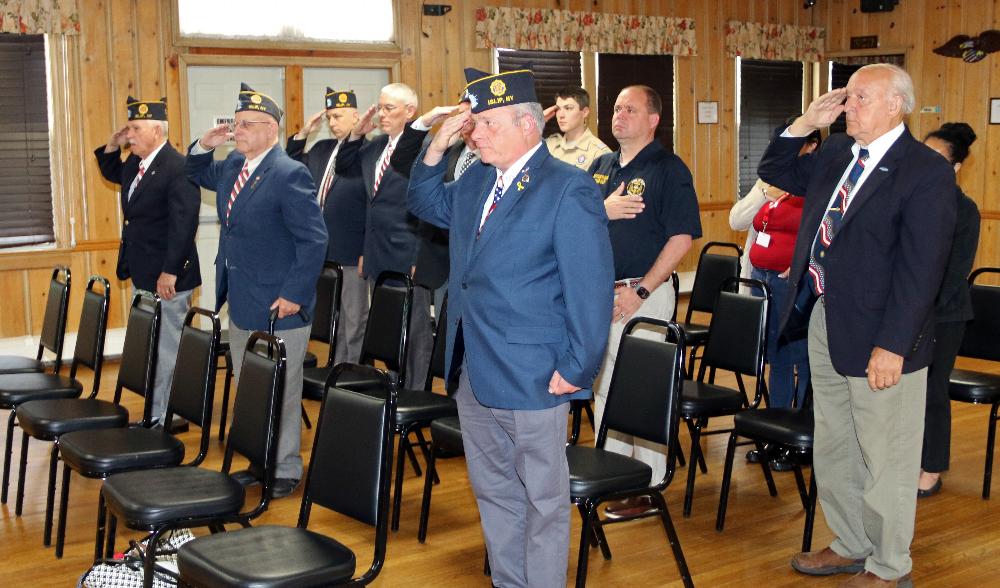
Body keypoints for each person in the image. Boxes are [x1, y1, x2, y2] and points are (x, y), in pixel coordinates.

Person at [407, 68, 613, 588]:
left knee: (543, 501)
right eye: (473, 124)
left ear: (527, 124)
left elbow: (589, 287)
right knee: (495, 493)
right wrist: (437, 147)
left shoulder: (568, 188)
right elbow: (423, 202)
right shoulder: (476, 179)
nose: (476, 133)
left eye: (488, 123)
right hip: (474, 367)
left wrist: (578, 366)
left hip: (535, 372)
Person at [759, 63, 956, 587]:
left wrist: (893, 346)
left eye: (859, 98)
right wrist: (805, 122)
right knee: (836, 443)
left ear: (897, 105)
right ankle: (851, 543)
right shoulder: (836, 153)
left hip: (883, 334)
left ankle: (890, 568)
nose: (848, 107)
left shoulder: (924, 171)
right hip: (827, 317)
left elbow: (922, 272)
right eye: (847, 98)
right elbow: (776, 170)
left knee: (886, 455)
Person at [186, 83, 327, 499]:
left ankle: (284, 466)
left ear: (271, 130)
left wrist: (295, 294)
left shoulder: (288, 173)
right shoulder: (232, 165)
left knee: (282, 389)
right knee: (252, 386)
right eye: (236, 122)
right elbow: (193, 172)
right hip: (243, 298)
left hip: (280, 304)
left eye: (247, 124)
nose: (237, 130)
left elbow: (314, 240)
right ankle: (258, 458)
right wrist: (202, 145)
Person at [588, 85, 701, 519]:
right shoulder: (602, 166)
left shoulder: (668, 169)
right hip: (600, 292)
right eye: (616, 108)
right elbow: (577, 218)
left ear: (653, 119)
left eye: (630, 109)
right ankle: (612, 473)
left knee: (644, 389)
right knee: (605, 387)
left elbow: (682, 236)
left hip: (643, 294)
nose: (619, 116)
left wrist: (640, 292)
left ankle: (649, 485)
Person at [94, 96, 201, 429]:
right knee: (152, 344)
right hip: (142, 270)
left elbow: (185, 225)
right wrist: (113, 142)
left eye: (136, 129)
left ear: (157, 130)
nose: (130, 136)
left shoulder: (177, 166)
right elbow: (112, 171)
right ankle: (160, 411)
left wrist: (170, 271)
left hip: (167, 275)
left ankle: (164, 417)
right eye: (129, 130)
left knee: (166, 348)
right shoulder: (135, 164)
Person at [729, 125, 821, 471]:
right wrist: (766, 193)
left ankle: (799, 438)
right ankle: (775, 434)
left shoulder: (815, 183)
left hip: (797, 285)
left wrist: (803, 263)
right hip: (765, 282)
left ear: (812, 146)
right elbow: (740, 220)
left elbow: (826, 231)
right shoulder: (773, 183)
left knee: (802, 359)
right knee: (777, 358)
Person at [335, 82, 433, 388]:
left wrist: (422, 258)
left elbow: (428, 209)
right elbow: (345, 167)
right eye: (380, 107)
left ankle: (415, 394)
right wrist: (357, 134)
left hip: (408, 255)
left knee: (415, 334)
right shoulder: (375, 146)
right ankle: (392, 388)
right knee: (390, 331)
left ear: (411, 111)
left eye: (389, 108)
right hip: (378, 256)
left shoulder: (425, 148)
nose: (382, 114)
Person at [919, 122, 981, 498]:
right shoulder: (913, 197)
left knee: (932, 391)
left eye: (936, 157)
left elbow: (954, 272)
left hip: (944, 315)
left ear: (955, 167)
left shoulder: (964, 210)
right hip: (909, 313)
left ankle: (931, 468)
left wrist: (918, 309)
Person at [286, 89, 368, 365]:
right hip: (322, 250)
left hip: (351, 249)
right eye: (330, 117)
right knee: (335, 317)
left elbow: (373, 206)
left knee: (355, 317)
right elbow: (292, 165)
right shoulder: (321, 150)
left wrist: (366, 250)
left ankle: (353, 373)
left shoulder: (367, 151)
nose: (333, 123)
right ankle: (338, 368)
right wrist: (303, 134)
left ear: (356, 116)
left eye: (339, 116)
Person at [543, 86, 611, 170]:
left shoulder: (599, 153)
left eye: (568, 108)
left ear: (585, 112)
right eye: (558, 109)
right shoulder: (549, 145)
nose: (561, 115)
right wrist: (538, 121)